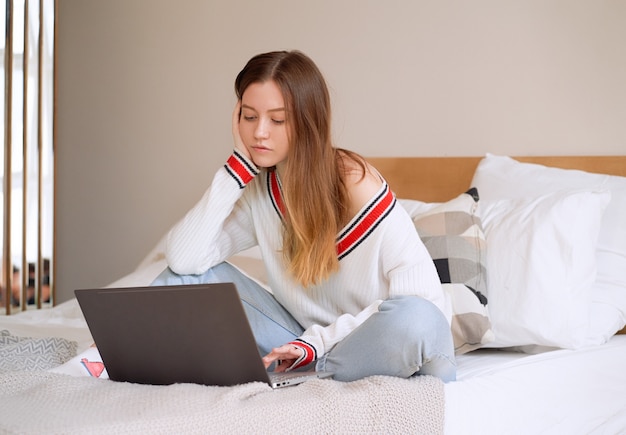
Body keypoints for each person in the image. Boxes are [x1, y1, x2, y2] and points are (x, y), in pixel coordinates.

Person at [152, 50, 456, 383]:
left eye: (277, 120)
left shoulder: (355, 182)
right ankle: (304, 374)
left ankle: (313, 374)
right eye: (249, 117)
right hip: (303, 345)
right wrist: (238, 167)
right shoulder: (260, 188)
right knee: (182, 282)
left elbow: (421, 304)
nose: (259, 133)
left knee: (416, 317)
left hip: (384, 343)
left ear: (307, 121)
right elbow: (183, 260)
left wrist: (316, 345)